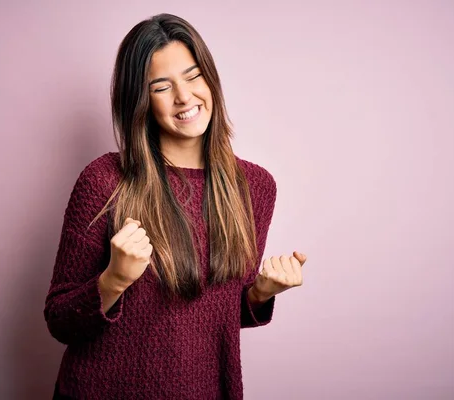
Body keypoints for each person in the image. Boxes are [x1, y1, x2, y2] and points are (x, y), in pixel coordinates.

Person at [44, 13, 308, 400]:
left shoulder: (254, 187)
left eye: (193, 76)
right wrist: (114, 279)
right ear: (140, 100)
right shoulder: (104, 180)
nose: (184, 97)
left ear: (210, 80)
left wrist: (259, 294)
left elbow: (208, 321)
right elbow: (60, 321)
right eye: (161, 87)